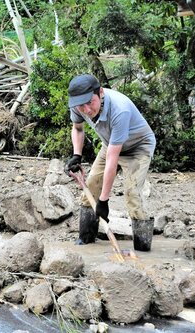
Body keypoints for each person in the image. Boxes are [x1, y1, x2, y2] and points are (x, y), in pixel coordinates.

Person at [64, 74, 156, 251]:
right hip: (111, 143)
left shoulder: (119, 109)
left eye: (90, 102)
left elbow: (112, 160)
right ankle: (86, 238)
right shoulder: (78, 106)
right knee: (91, 186)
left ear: (100, 93)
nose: (87, 109)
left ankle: (143, 247)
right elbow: (77, 128)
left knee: (132, 193)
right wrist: (77, 155)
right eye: (81, 105)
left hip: (138, 147)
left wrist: (104, 201)